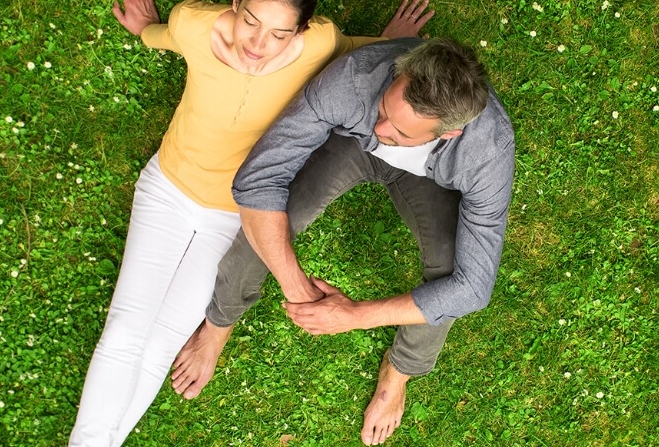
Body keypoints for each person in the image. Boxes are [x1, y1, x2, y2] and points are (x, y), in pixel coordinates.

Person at [69, 0, 435, 446]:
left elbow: (349, 51)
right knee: (125, 331)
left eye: (280, 33)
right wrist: (145, 28)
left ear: (302, 30)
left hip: (234, 214)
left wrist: (390, 44)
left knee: (164, 340)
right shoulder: (194, 23)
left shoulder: (318, 44)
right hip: (167, 190)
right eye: (250, 22)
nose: (259, 45)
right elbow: (163, 34)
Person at [165, 37, 514, 446]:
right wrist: (295, 285)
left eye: (401, 131)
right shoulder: (353, 80)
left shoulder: (487, 150)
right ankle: (220, 321)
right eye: (384, 109)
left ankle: (399, 372)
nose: (381, 129)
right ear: (399, 73)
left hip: (429, 182)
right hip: (351, 145)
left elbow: (473, 287)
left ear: (449, 134)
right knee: (273, 217)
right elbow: (257, 181)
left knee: (450, 270)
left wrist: (354, 315)